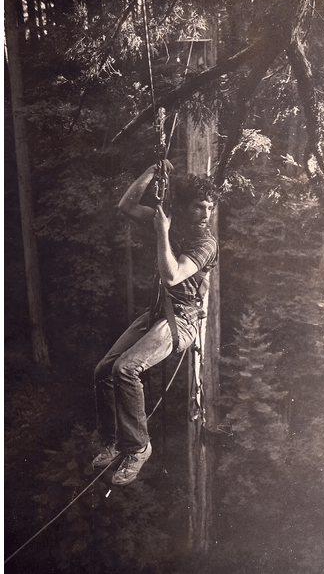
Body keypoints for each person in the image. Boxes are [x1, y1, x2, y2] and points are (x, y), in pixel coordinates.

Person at [92, 161, 219, 486]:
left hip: (183, 320)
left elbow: (172, 275)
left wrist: (162, 231)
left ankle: (138, 447)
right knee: (104, 371)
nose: (206, 214)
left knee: (126, 369)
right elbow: (126, 206)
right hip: (158, 313)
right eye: (199, 206)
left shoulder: (206, 244)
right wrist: (151, 171)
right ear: (183, 206)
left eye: (210, 207)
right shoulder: (172, 223)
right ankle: (112, 441)